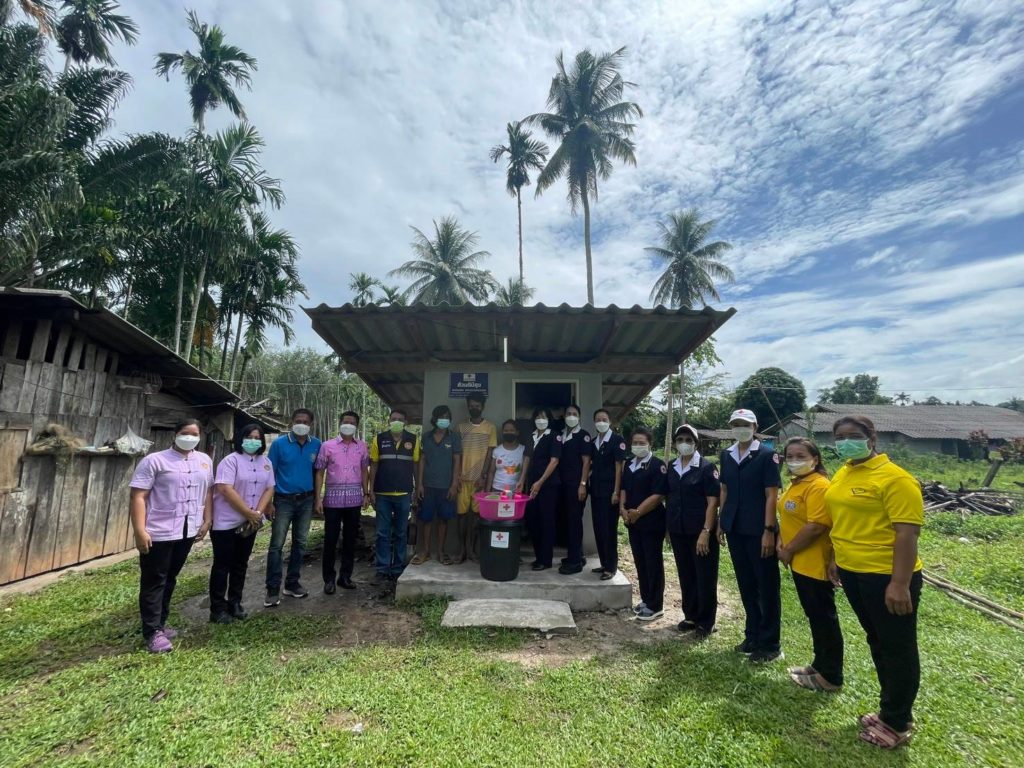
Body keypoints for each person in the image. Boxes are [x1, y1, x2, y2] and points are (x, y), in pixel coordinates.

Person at [825, 415, 924, 749]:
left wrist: (900, 583)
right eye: (839, 437)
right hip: (853, 572)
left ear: (872, 437)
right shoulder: (844, 472)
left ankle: (898, 721)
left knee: (897, 646)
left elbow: (907, 534)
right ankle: (889, 709)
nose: (845, 442)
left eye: (853, 435)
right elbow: (843, 520)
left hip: (885, 576)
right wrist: (837, 558)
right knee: (877, 640)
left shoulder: (896, 479)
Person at [129, 419, 213, 653]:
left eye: (194, 434)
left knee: (170, 577)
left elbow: (208, 492)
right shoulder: (155, 460)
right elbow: (138, 496)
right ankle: (152, 632)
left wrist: (207, 520)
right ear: (175, 434)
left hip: (187, 530)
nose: (190, 437)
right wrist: (140, 530)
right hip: (159, 530)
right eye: (185, 433)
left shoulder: (204, 461)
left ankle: (160, 624)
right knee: (154, 580)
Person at [776, 437, 842, 691]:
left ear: (815, 459)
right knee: (814, 615)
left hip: (814, 562)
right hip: (800, 562)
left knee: (824, 618)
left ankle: (831, 676)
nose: (794, 461)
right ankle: (819, 664)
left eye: (801, 456)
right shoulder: (797, 483)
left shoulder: (818, 486)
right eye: (790, 456)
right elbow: (790, 517)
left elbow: (816, 526)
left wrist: (788, 550)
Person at [718, 408, 783, 663]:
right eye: (736, 424)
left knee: (766, 587)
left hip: (759, 530)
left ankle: (770, 644)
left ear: (755, 428)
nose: (740, 428)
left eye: (745, 424)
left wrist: (769, 530)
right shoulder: (727, 455)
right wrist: (722, 522)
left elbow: (771, 495)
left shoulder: (766, 456)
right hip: (735, 528)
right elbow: (724, 489)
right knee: (746, 584)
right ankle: (752, 636)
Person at [209, 424, 275, 623]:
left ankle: (235, 602)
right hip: (226, 522)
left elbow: (269, 488)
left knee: (241, 563)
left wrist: (257, 513)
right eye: (249, 437)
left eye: (257, 438)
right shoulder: (231, 461)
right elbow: (225, 489)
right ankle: (217, 608)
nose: (253, 441)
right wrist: (248, 512)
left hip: (250, 523)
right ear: (241, 438)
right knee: (222, 565)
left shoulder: (266, 462)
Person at [666, 424, 721, 639]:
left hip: (700, 531)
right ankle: (691, 615)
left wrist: (706, 531)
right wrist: (668, 528)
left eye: (688, 440)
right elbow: (669, 497)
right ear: (675, 443)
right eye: (680, 439)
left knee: (705, 576)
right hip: (678, 529)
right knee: (686, 573)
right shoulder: (671, 467)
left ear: (696, 443)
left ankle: (706, 621)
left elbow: (713, 502)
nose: (684, 443)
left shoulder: (707, 468)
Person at [264, 409, 321, 606]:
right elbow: (269, 474)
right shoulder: (279, 444)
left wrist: (317, 499)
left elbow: (318, 473)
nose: (301, 424)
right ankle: (272, 588)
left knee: (300, 543)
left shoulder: (316, 444)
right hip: (283, 500)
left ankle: (292, 583)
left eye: (305, 421)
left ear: (311, 424)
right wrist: (268, 502)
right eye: (298, 421)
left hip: (306, 500)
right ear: (291, 422)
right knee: (277, 545)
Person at [314, 410, 369, 594]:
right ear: (340, 423)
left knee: (350, 541)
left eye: (352, 423)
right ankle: (329, 579)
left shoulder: (362, 446)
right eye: (346, 422)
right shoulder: (327, 446)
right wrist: (318, 498)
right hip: (332, 502)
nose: (348, 425)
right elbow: (320, 472)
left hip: (354, 501)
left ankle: (345, 577)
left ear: (356, 426)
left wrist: (366, 493)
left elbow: (364, 471)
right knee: (330, 540)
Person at [621, 427, 669, 621]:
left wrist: (639, 511)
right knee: (640, 561)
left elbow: (658, 495)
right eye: (635, 443)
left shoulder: (657, 466)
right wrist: (622, 509)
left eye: (642, 443)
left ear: (650, 444)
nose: (638, 446)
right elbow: (623, 488)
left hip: (651, 522)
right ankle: (646, 598)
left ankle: (656, 605)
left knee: (652, 562)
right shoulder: (629, 464)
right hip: (632, 522)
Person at [368, 408, 420, 584]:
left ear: (406, 422)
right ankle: (382, 569)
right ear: (389, 421)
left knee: (401, 533)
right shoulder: (379, 439)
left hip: (404, 493)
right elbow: (374, 465)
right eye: (393, 419)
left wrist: (417, 488)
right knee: (382, 533)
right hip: (382, 493)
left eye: (400, 419)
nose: (396, 421)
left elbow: (416, 466)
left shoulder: (413, 440)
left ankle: (398, 568)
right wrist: (371, 490)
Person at [414, 405, 462, 566]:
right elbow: (422, 460)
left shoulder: (454, 437)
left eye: (447, 417)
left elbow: (457, 461)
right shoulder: (426, 437)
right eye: (441, 417)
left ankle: (441, 552)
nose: (444, 420)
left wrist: (454, 484)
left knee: (443, 520)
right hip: (427, 486)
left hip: (446, 486)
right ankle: (425, 551)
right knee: (426, 519)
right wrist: (419, 484)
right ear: (434, 419)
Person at [455, 393, 498, 562]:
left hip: (479, 481)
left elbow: (490, 453)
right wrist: (456, 477)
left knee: (476, 517)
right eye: (471, 406)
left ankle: (472, 550)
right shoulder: (460, 427)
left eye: (477, 406)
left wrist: (483, 476)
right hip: (462, 480)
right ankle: (461, 551)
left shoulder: (490, 428)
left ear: (483, 407)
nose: (474, 408)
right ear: (468, 406)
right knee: (461, 517)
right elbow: (456, 454)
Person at [588, 408, 626, 580]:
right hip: (596, 491)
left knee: (609, 530)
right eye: (598, 419)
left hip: (610, 492)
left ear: (610, 422)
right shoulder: (594, 442)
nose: (601, 422)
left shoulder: (617, 440)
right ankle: (604, 562)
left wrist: (616, 492)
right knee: (598, 528)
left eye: (604, 419)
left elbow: (619, 468)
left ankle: (611, 567)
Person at [524, 406, 561, 571]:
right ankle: (538, 556)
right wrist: (522, 480)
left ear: (549, 420)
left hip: (548, 485)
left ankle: (546, 560)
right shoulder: (531, 436)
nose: (541, 420)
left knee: (546, 521)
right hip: (532, 484)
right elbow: (527, 458)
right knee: (533, 520)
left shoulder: (554, 436)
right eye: (538, 417)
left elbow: (554, 461)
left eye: (544, 417)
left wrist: (540, 482)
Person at [557, 403, 592, 575]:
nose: (571, 416)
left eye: (574, 414)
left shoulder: (583, 436)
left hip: (577, 486)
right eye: (568, 413)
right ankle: (577, 555)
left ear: (579, 417)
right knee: (567, 521)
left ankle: (575, 563)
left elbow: (586, 462)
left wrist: (582, 484)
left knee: (574, 522)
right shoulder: (561, 435)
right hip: (563, 485)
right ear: (564, 416)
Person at [487, 419, 529, 494]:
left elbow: (525, 472)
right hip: (496, 490)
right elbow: (491, 472)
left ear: (517, 432)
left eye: (512, 430)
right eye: (506, 431)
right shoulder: (497, 450)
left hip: (515, 491)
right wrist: (487, 491)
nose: (508, 432)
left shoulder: (524, 450)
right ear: (502, 432)